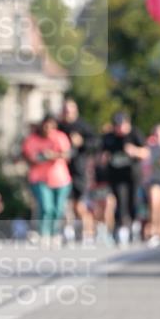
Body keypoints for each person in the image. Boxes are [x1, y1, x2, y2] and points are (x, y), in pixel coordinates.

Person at [22, 115, 73, 242]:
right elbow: (29, 158)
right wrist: (42, 156)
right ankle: (44, 233)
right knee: (46, 207)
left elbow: (67, 155)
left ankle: (55, 233)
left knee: (58, 209)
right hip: (40, 179)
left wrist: (53, 155)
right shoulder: (32, 139)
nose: (48, 129)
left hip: (61, 180)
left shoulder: (60, 137)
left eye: (51, 126)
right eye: (46, 126)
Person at [100, 112, 149, 245]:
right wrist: (105, 158)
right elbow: (102, 155)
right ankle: (121, 228)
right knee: (120, 201)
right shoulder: (109, 137)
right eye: (117, 125)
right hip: (116, 176)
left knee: (133, 201)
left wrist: (135, 151)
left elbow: (146, 153)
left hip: (133, 175)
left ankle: (134, 225)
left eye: (122, 125)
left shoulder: (135, 134)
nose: (120, 128)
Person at [57, 98, 97, 241]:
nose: (68, 113)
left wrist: (82, 142)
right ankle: (67, 231)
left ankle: (88, 231)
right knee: (63, 203)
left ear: (76, 111)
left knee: (78, 204)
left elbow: (95, 143)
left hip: (79, 169)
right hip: (61, 170)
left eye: (70, 110)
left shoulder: (83, 126)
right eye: (65, 110)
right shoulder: (58, 126)